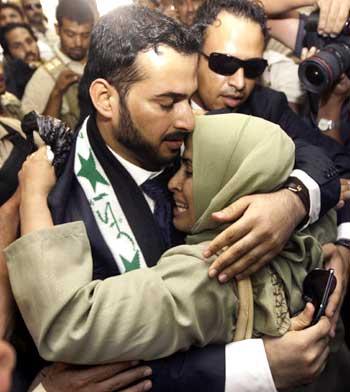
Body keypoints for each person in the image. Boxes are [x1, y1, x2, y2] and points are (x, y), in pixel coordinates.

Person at [2, 5, 346, 392]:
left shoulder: (197, 142)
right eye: (167, 103)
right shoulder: (43, 208)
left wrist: (292, 201)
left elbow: (318, 157)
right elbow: (77, 369)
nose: (188, 119)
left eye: (189, 97)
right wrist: (253, 366)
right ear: (105, 99)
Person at [7, 112, 339, 364]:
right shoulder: (307, 225)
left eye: (192, 171)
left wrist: (33, 196)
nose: (172, 183)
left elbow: (69, 324)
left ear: (237, 179)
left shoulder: (209, 272)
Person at [21, 0, 94, 129]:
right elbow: (33, 133)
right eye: (70, 34)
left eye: (85, 35)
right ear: (57, 29)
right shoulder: (44, 76)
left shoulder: (102, 61)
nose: (78, 42)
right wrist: (57, 93)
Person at [0, 22, 44, 99]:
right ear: (8, 54)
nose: (28, 49)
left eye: (29, 41)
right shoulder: (9, 91)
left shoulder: (53, 66)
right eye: (17, 46)